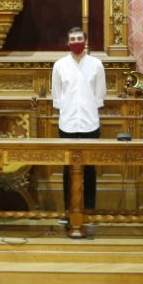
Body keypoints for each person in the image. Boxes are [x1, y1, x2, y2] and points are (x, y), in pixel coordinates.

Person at [51, 25, 105, 213]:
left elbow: (99, 96)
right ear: (67, 43)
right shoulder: (59, 66)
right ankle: (69, 210)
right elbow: (57, 97)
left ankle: (89, 209)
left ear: (86, 41)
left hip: (90, 123)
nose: (76, 43)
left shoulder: (96, 65)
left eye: (79, 39)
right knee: (68, 169)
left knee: (89, 169)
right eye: (72, 40)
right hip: (67, 124)